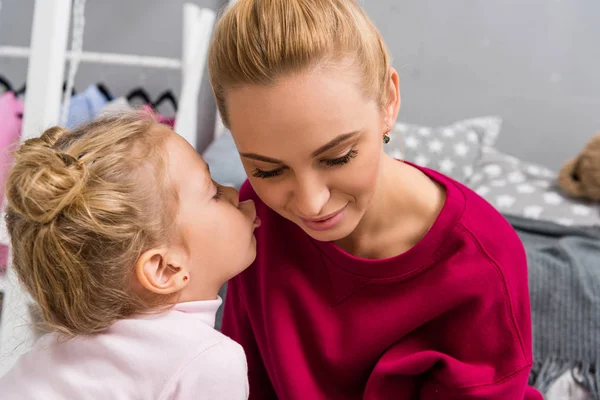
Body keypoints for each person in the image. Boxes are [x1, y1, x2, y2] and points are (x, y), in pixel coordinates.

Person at [208, 0, 543, 399]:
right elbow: (245, 383)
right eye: (268, 170)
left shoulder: (481, 260)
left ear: (388, 101)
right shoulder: (257, 217)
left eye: (337, 157)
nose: (311, 204)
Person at [0, 113, 258, 399]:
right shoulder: (210, 361)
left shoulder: (49, 353)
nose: (234, 192)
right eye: (214, 193)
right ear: (165, 269)